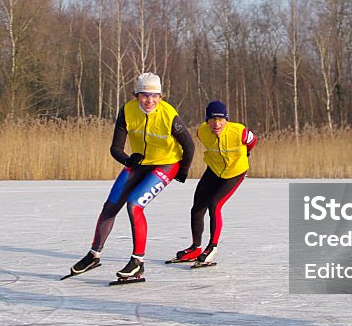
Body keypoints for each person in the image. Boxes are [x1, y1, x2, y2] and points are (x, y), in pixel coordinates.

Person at [68, 72, 194, 283]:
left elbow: (188, 146)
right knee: (111, 205)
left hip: (167, 163)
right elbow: (115, 148)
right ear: (136, 95)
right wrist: (127, 160)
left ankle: (137, 262)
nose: (150, 100)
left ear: (161, 97)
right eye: (145, 95)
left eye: (155, 96)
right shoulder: (127, 111)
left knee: (134, 205)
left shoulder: (169, 115)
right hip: (140, 163)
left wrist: (183, 170)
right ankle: (93, 255)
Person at [169, 100, 258, 267]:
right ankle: (196, 248)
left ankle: (212, 248)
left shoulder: (239, 132)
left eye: (220, 119)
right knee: (197, 207)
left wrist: (246, 153)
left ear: (226, 119)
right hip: (214, 170)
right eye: (212, 120)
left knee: (214, 204)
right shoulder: (202, 132)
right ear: (206, 121)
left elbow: (253, 141)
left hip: (235, 172)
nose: (216, 124)